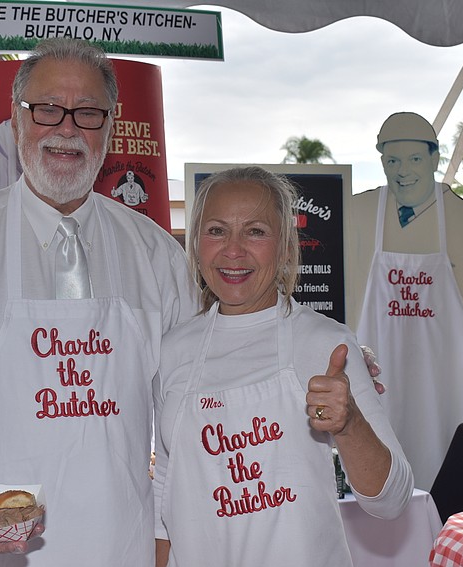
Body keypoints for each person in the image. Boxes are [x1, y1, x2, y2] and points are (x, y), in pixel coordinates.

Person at [0, 38, 199, 566]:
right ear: (15, 121)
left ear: (110, 125)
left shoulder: (156, 255)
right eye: (46, 109)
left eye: (87, 112)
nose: (66, 128)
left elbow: (197, 393)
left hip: (119, 544)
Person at [153, 166, 413, 566]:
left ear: (287, 248)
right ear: (195, 243)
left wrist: (350, 424)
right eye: (217, 230)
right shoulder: (171, 350)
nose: (233, 250)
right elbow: (165, 491)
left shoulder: (326, 344)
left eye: (255, 231)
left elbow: (391, 502)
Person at [348, 112, 463, 491]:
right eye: (392, 161)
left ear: (434, 158)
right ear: (380, 161)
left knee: (447, 485)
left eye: (413, 159)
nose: (402, 171)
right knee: (380, 481)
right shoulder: (360, 212)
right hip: (381, 383)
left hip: (444, 385)